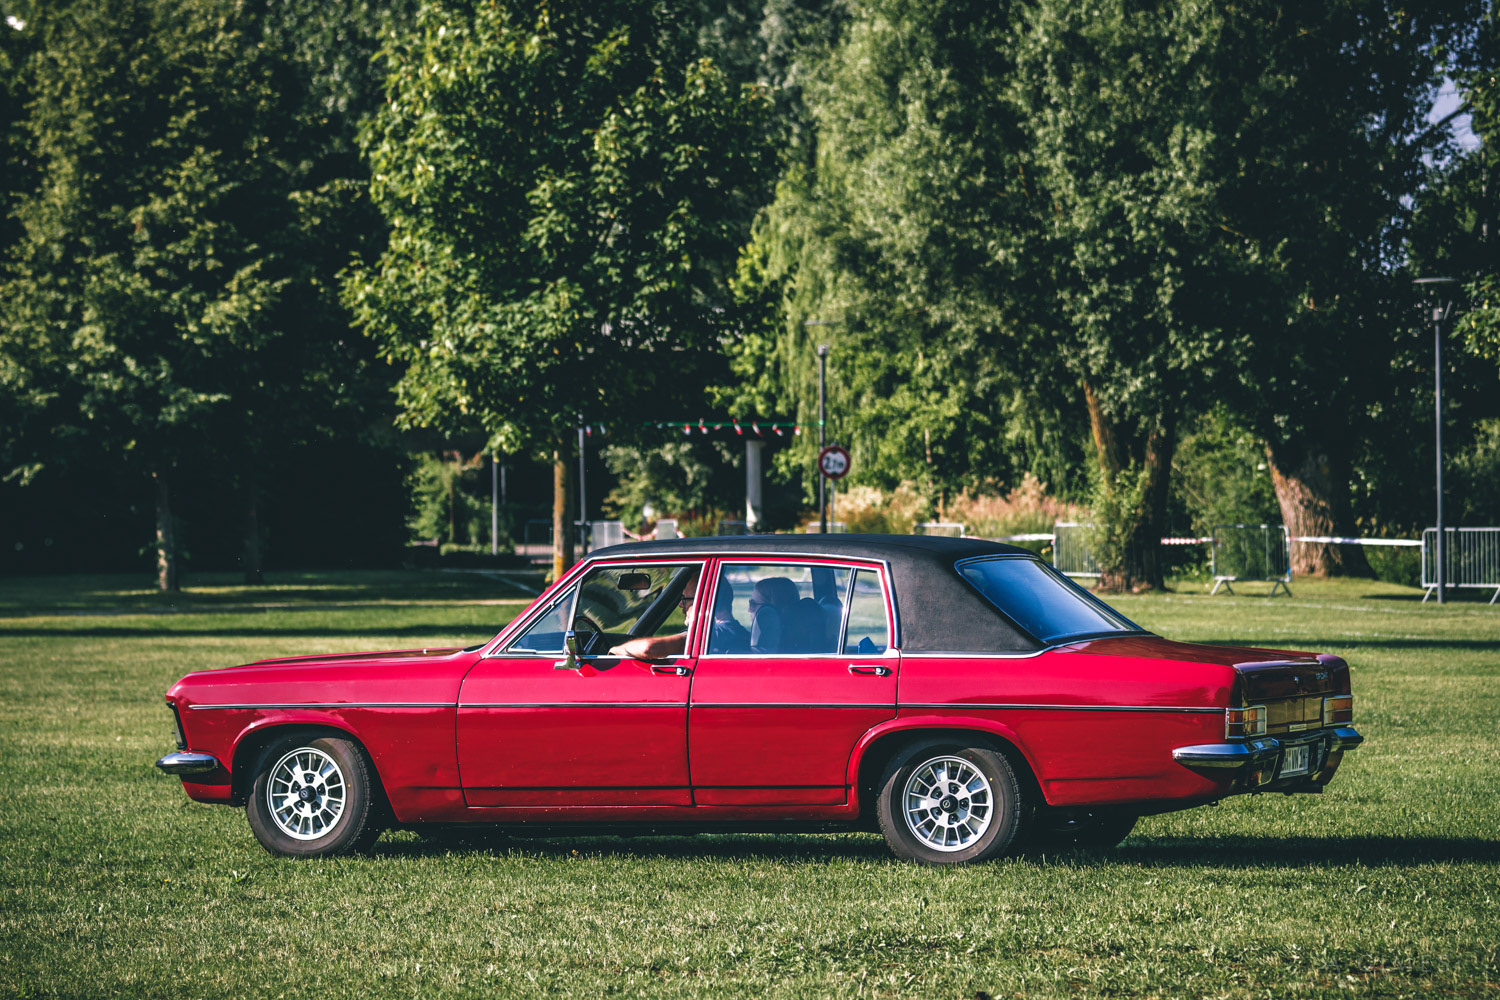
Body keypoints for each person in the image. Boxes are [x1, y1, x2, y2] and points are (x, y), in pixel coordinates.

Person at [608, 573, 698, 659]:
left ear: (702, 602)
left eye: (685, 598)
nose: (680, 604)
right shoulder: (703, 636)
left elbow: (648, 648)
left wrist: (615, 650)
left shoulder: (698, 637)